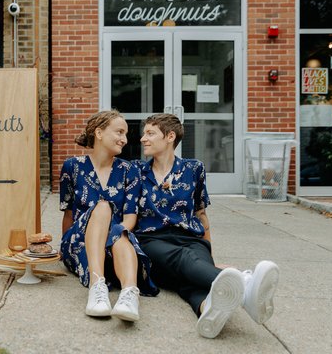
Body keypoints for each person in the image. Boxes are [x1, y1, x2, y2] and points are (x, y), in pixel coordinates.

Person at [133, 113, 280, 338]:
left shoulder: (194, 169)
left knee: (190, 275)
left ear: (170, 136)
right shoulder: (136, 172)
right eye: (144, 133)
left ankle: (206, 309)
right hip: (153, 241)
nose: (143, 138)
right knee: (185, 261)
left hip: (191, 238)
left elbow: (201, 213)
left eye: (150, 133)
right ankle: (245, 285)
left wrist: (208, 257)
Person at [59, 109, 159, 322]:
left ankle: (129, 294)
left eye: (126, 134)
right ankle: (97, 286)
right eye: (119, 132)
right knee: (103, 208)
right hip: (80, 241)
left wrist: (110, 235)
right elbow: (69, 213)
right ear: (99, 133)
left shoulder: (128, 170)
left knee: (120, 233)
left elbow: (130, 219)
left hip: (115, 242)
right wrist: (63, 247)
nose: (124, 140)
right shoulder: (72, 166)